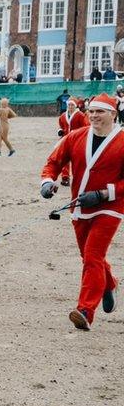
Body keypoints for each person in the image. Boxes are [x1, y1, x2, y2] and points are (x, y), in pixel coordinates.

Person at [40, 93, 123, 331]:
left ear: (113, 114)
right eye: (92, 111)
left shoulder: (122, 140)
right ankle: (109, 283)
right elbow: (54, 161)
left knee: (93, 255)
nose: (95, 115)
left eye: (101, 111)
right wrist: (47, 181)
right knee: (87, 257)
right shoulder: (76, 137)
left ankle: (85, 310)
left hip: (110, 207)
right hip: (79, 205)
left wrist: (104, 194)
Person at [58, 98, 89, 186]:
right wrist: (60, 131)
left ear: (75, 106)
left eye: (72, 105)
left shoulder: (80, 115)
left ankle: (79, 177)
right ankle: (65, 177)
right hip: (65, 140)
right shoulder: (63, 116)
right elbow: (61, 125)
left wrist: (79, 134)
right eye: (69, 105)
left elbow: (85, 126)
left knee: (77, 159)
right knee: (64, 159)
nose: (70, 107)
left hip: (77, 141)